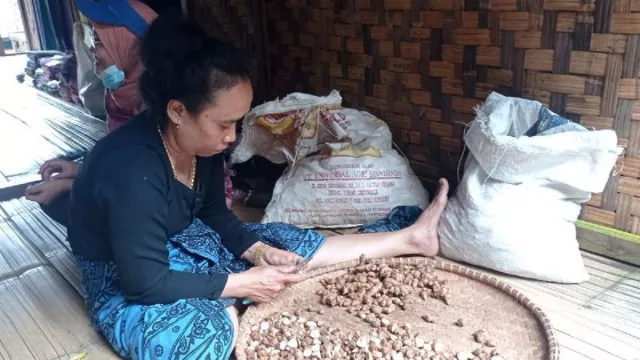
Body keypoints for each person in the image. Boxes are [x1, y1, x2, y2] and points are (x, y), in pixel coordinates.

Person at [66, 15, 449, 360]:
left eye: (237, 123)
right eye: (223, 124)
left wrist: (259, 251)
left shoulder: (202, 144)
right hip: (124, 274)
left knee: (281, 244)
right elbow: (144, 283)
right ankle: (234, 307)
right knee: (198, 336)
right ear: (178, 111)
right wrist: (240, 284)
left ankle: (411, 240)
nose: (232, 137)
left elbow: (214, 213)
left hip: (183, 238)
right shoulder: (132, 168)